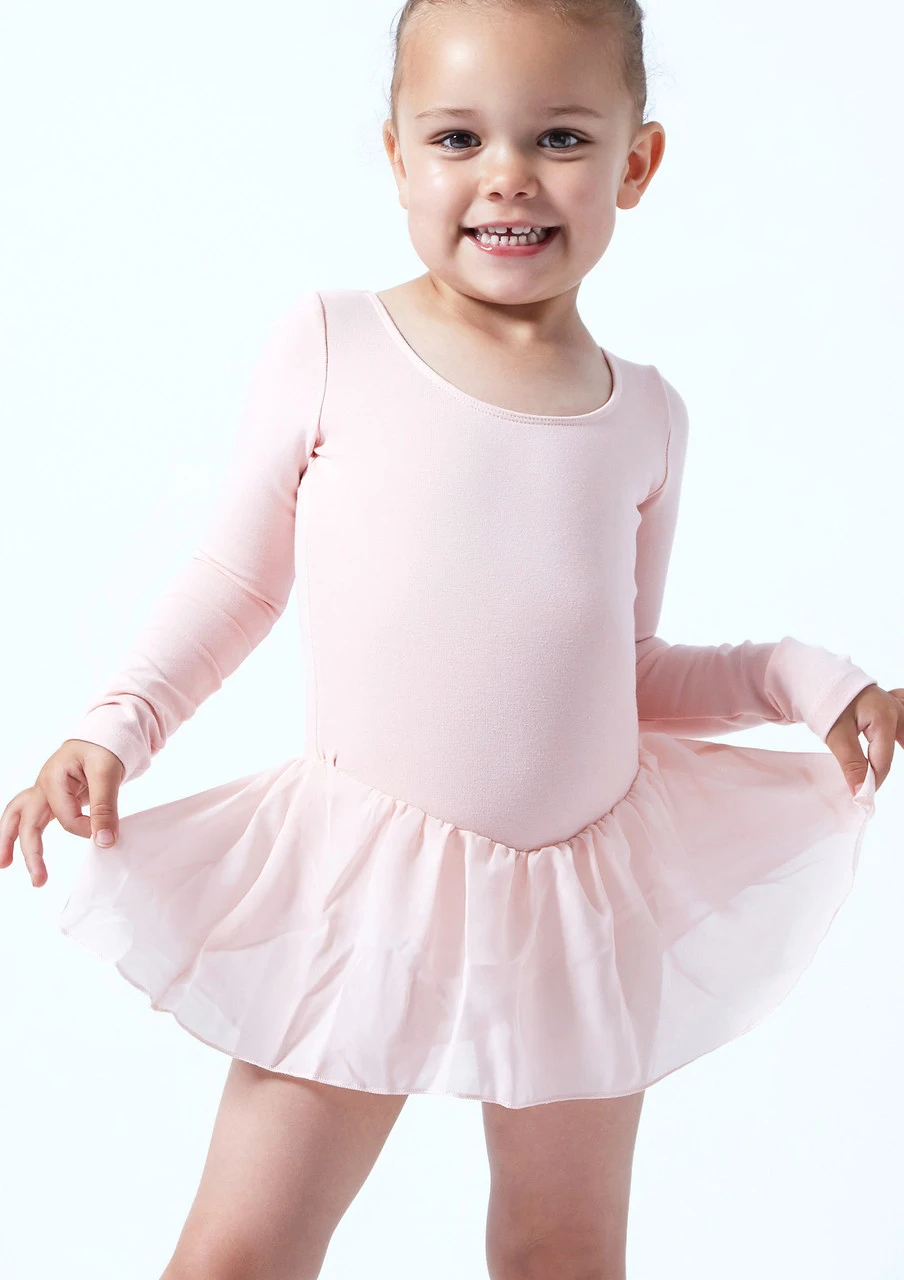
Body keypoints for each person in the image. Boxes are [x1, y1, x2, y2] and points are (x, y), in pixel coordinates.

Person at [3, 1, 902, 1277]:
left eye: (559, 136)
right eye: (458, 136)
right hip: (364, 881)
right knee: (241, 1250)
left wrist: (802, 678)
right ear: (396, 155)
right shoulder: (335, 341)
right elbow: (239, 578)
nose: (507, 175)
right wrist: (116, 724)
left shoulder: (646, 415)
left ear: (637, 161)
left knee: (561, 1251)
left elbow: (620, 671)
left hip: (576, 895)